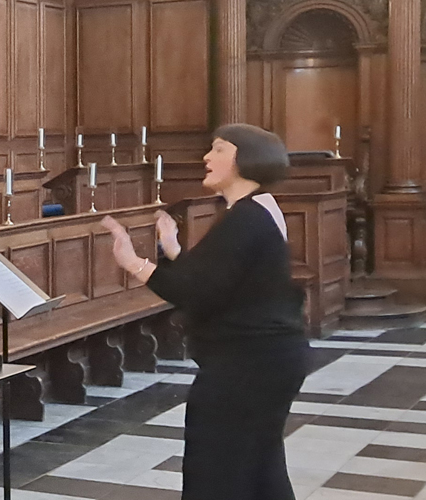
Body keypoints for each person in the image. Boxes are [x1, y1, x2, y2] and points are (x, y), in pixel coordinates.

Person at [99, 124, 308, 500]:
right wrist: (174, 249)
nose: (207, 158)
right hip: (266, 359)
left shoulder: (245, 218)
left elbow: (195, 291)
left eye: (219, 150)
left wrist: (133, 263)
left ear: (246, 159)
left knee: (216, 473)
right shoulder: (255, 209)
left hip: (247, 365)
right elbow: (223, 277)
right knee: (260, 469)